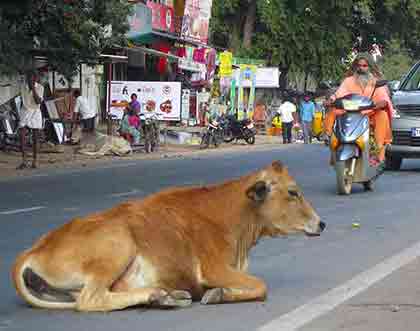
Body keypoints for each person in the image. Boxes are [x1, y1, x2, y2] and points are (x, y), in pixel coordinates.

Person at [324, 53, 393, 163]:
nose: (361, 68)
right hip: (350, 113)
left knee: (382, 115)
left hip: (369, 113)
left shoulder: (375, 82)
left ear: (370, 67)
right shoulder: (348, 81)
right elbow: (338, 94)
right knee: (333, 111)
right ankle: (328, 137)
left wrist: (381, 103)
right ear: (355, 67)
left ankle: (378, 149)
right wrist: (330, 101)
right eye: (359, 65)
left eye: (364, 66)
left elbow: (383, 98)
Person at [17, 73, 44, 169]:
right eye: (28, 78)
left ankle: (35, 161)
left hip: (35, 112)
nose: (30, 80)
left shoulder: (40, 87)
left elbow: (38, 102)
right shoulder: (23, 86)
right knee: (22, 137)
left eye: (32, 78)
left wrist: (33, 88)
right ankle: (24, 161)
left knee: (35, 138)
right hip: (24, 112)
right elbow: (22, 99)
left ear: (36, 78)